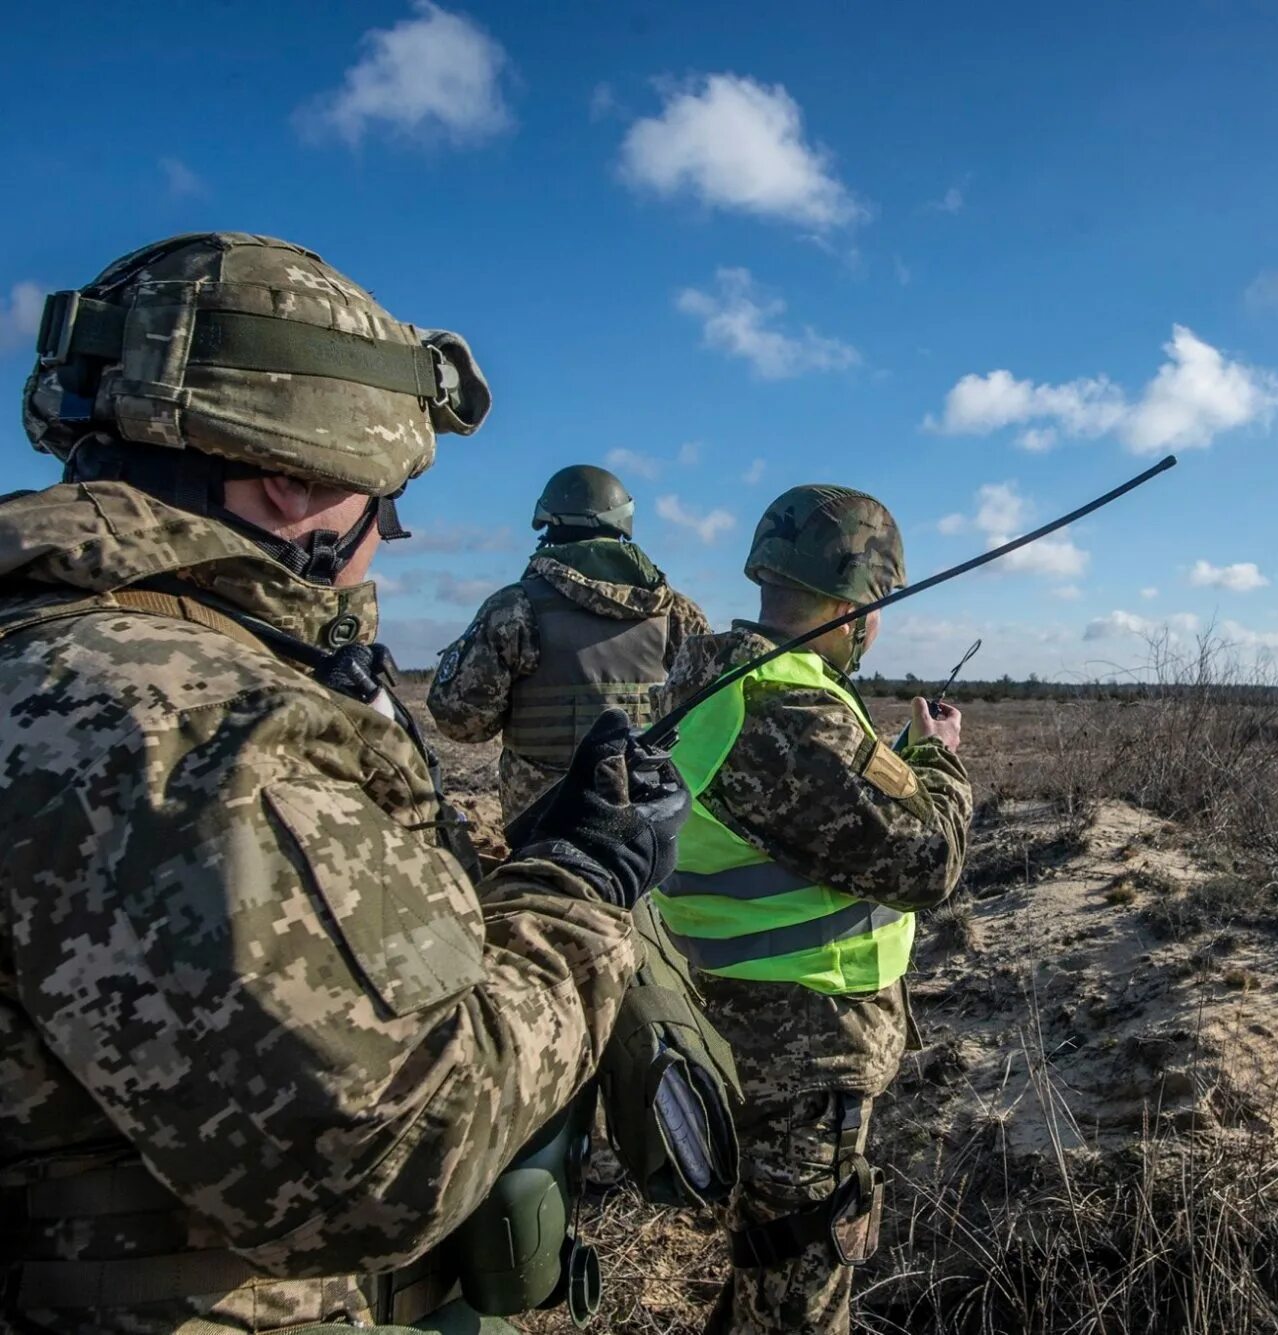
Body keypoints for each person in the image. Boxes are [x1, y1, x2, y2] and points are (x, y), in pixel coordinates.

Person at [0, 233, 688, 1334]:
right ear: (289, 475)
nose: (385, 545)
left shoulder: (60, 652)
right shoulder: (192, 713)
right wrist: (583, 885)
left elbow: (457, 716)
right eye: (384, 506)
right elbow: (392, 1157)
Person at [654, 485, 974, 1335]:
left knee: (769, 1258)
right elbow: (926, 859)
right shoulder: (786, 706)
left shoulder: (722, 676)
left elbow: (819, 816)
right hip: (799, 1043)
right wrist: (941, 764)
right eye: (877, 608)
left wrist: (896, 765)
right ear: (853, 604)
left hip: (739, 1023)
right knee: (798, 1284)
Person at [428, 464, 709, 823]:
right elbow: (707, 720)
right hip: (648, 819)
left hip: (544, 823)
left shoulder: (514, 608)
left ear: (548, 526)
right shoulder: (677, 613)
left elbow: (460, 721)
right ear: (623, 525)